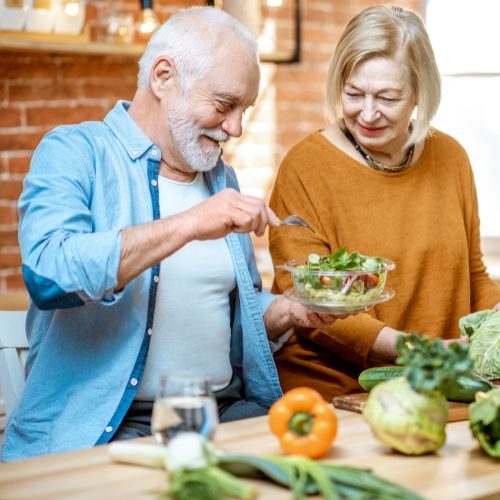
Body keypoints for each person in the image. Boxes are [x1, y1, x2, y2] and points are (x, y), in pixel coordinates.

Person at [2, 7, 337, 461]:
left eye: (245, 110)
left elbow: (226, 317)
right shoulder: (75, 152)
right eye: (224, 105)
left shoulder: (222, 180)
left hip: (227, 416)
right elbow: (49, 275)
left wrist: (289, 311)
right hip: (113, 430)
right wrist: (188, 225)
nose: (235, 128)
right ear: (163, 77)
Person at [268, 5, 500, 400]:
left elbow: (472, 272)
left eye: (388, 97)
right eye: (354, 93)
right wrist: (416, 351)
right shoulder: (306, 166)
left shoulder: (451, 158)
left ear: (420, 94)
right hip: (336, 394)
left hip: (439, 385)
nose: (368, 113)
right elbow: (308, 303)